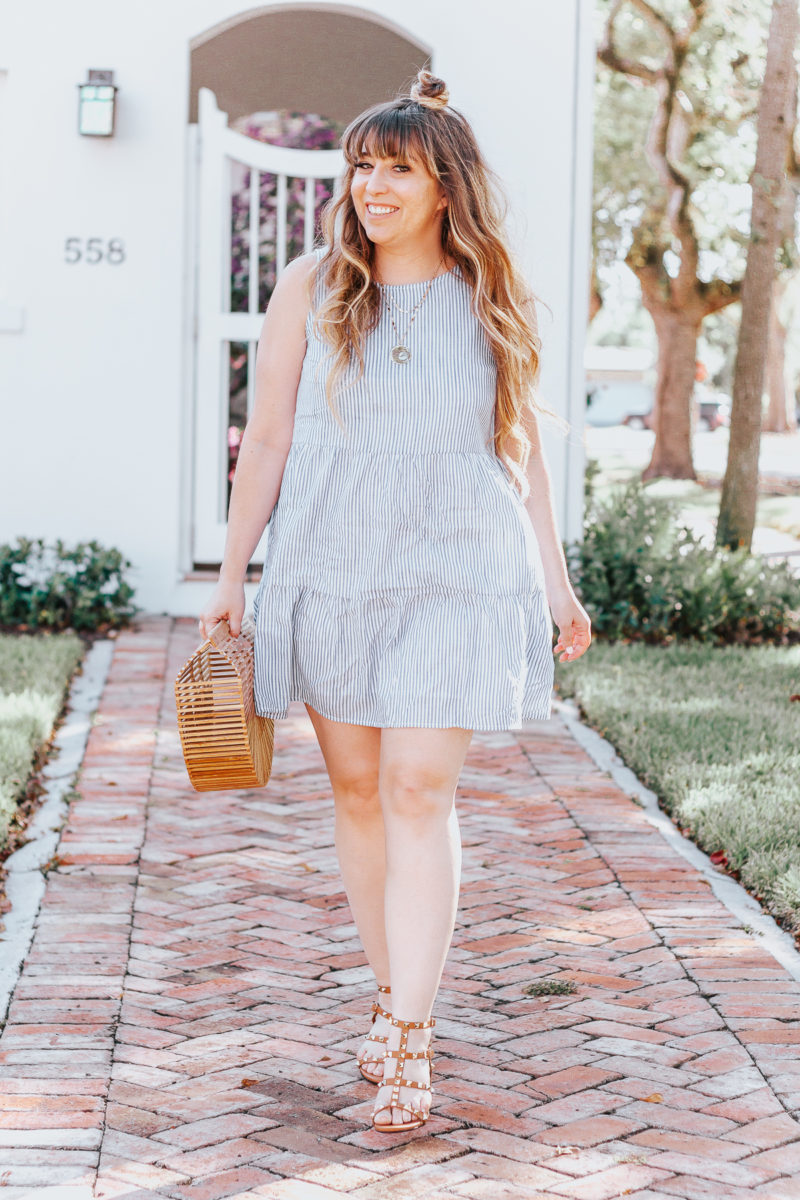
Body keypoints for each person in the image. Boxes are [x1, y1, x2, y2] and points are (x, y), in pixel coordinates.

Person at [199, 68, 592, 1135]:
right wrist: (233, 575)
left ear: (443, 185)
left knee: (421, 788)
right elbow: (267, 438)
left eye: (396, 169)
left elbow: (518, 451)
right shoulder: (308, 287)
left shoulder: (491, 294)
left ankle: (411, 1038)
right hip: (331, 564)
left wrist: (554, 581)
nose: (372, 185)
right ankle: (388, 994)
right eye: (361, 166)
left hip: (458, 570)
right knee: (362, 793)